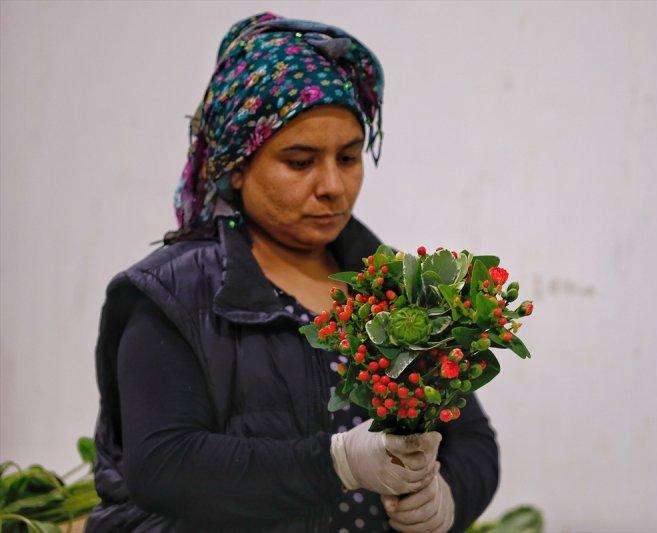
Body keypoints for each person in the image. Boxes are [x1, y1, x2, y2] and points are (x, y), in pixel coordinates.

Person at [86, 10, 499, 533]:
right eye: (300, 162)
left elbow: (471, 439)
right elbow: (165, 464)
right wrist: (336, 464)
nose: (332, 185)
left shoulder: (394, 289)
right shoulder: (173, 295)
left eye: (348, 157)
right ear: (236, 166)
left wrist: (447, 498)